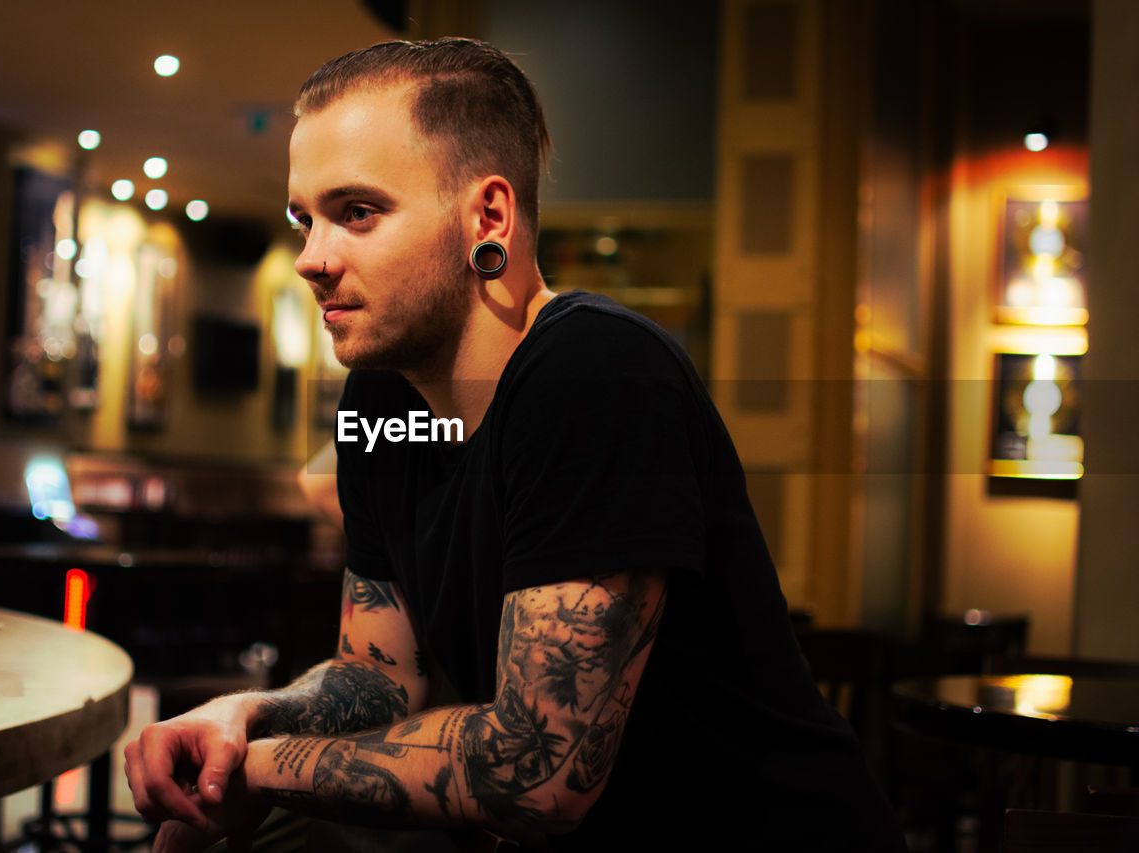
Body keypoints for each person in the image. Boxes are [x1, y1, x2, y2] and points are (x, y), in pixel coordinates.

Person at [124, 37, 905, 852]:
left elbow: (535, 774)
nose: (313, 259)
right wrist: (243, 719)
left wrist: (257, 766)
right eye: (305, 220)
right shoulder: (382, 397)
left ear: (487, 218)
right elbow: (376, 680)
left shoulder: (594, 371)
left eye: (357, 212)